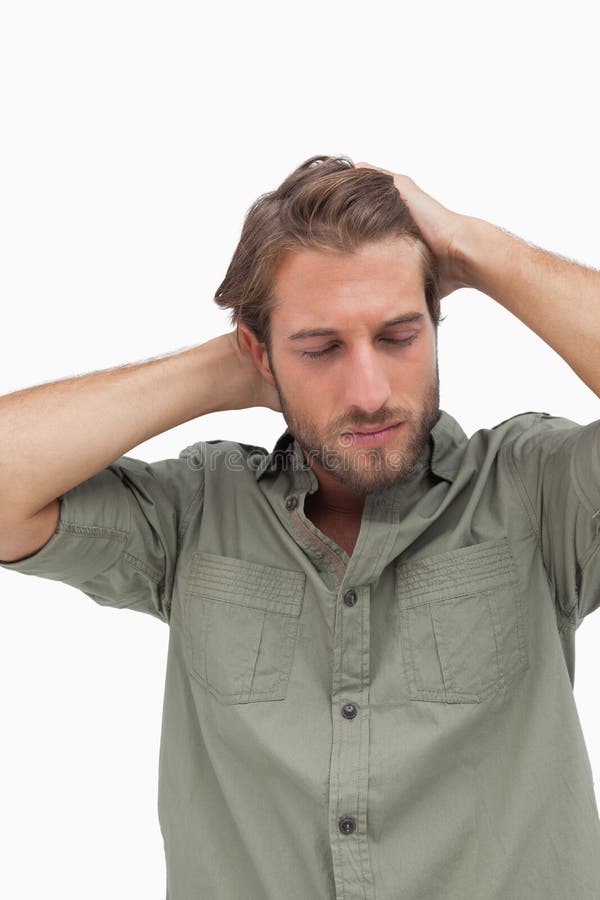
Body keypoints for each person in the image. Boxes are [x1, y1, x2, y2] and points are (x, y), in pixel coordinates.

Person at [1, 154, 599, 899]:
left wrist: (481, 251)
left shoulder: (532, 491)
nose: (371, 392)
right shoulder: (196, 513)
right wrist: (224, 372)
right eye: (321, 349)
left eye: (399, 336)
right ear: (261, 353)